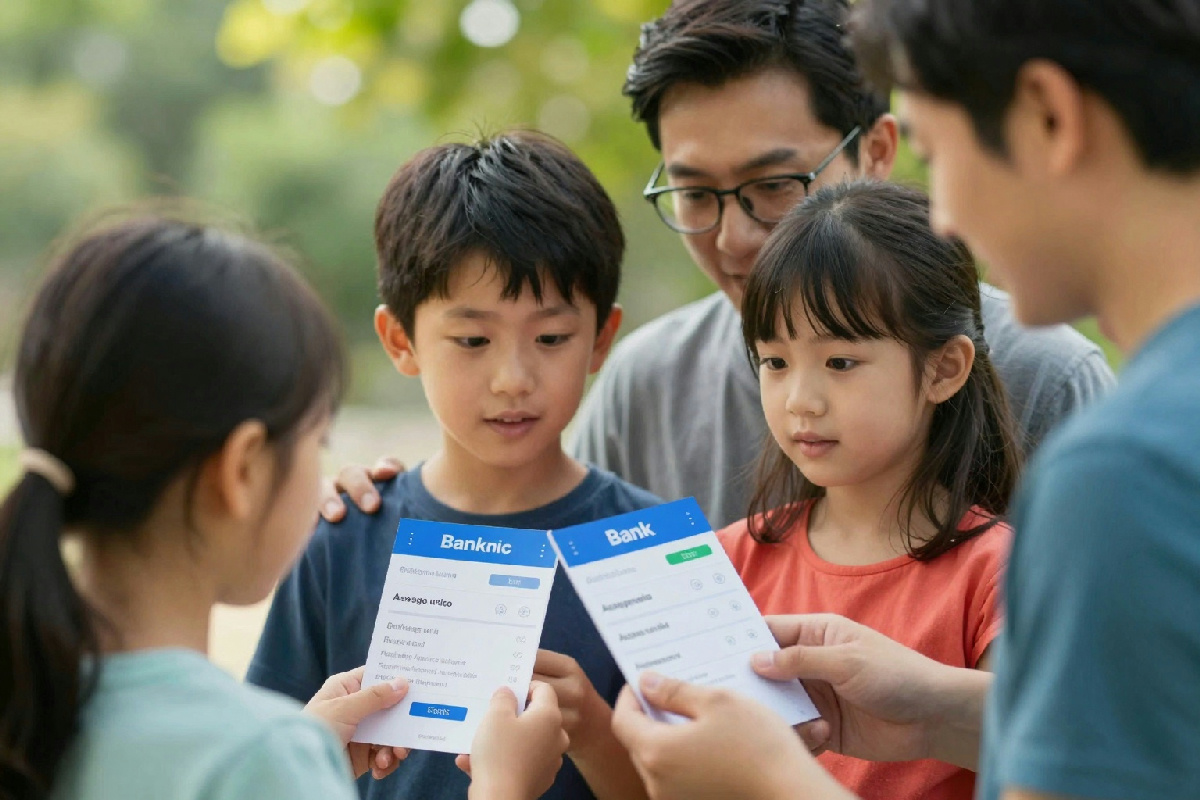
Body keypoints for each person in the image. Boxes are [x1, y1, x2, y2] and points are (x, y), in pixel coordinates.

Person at [611, 2, 1200, 800]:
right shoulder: (644, 386)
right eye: (774, 362)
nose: (945, 216)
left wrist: (776, 782)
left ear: (1049, 117)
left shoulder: (1118, 464)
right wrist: (932, 713)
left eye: (935, 151)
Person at [324, 0, 1112, 530]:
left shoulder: (1042, 378)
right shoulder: (646, 387)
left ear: (876, 153)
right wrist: (382, 508)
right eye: (695, 194)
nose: (735, 239)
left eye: (775, 187)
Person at [0, 214, 568, 800]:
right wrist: (503, 789)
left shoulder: (28, 707)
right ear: (242, 470)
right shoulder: (256, 758)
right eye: (316, 442)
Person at [245, 132, 661, 800]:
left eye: (551, 338)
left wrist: (594, 734)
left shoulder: (647, 548)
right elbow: (262, 774)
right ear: (401, 341)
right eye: (472, 340)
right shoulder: (339, 541)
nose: (513, 379)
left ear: (601, 339)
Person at [715, 179, 1017, 800]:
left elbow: (1057, 756)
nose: (801, 399)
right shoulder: (721, 563)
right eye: (775, 362)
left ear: (943, 368)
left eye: (840, 363)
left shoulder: (1001, 574)